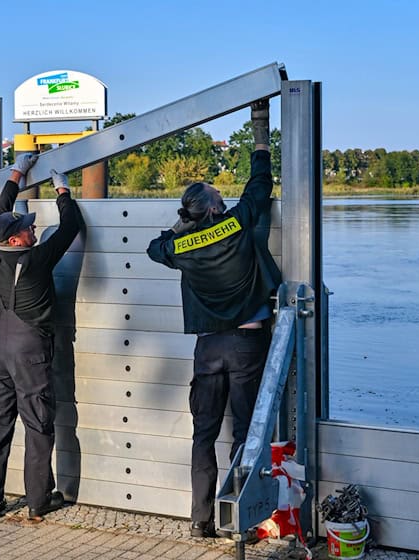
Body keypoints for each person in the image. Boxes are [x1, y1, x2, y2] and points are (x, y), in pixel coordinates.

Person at [147, 100, 281, 538]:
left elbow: (155, 247)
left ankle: (200, 521)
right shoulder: (237, 224)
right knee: (246, 433)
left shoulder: (181, 248)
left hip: (207, 351)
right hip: (247, 344)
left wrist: (181, 228)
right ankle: (243, 517)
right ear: (214, 210)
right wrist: (260, 135)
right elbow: (260, 186)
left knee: (203, 436)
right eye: (220, 202)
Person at [0, 154, 84, 521]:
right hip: (30, 354)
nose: (33, 230)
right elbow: (71, 225)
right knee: (38, 425)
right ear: (15, 240)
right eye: (27, 228)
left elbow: (1, 210)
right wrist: (63, 191)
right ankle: (39, 502)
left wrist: (16, 172)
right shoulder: (37, 260)